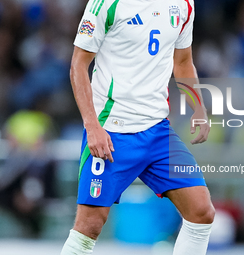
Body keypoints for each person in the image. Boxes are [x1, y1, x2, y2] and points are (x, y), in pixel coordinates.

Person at [61, 0, 215, 254]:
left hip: (157, 131)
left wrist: (198, 108)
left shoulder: (184, 4)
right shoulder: (107, 4)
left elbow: (184, 61)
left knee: (201, 211)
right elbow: (79, 63)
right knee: (89, 226)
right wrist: (93, 127)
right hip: (111, 131)